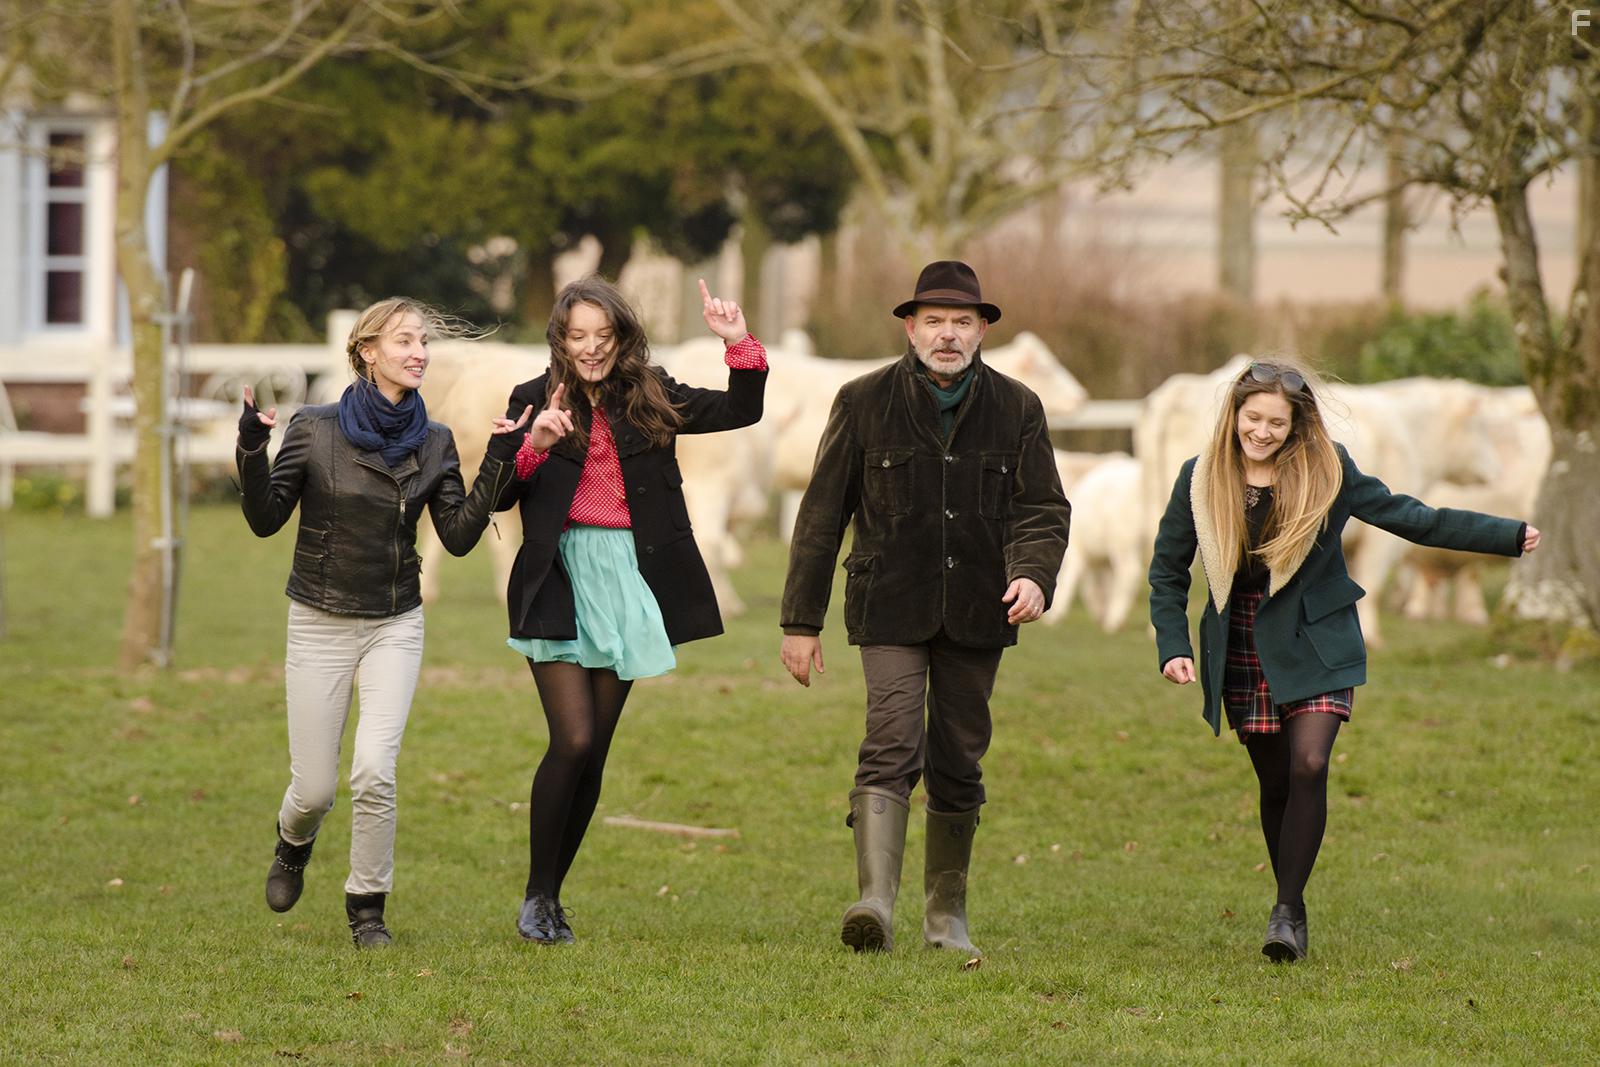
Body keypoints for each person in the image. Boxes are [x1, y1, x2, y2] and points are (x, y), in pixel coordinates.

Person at [1147, 358, 1541, 962]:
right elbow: (1168, 572)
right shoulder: (1199, 479)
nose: (1262, 431)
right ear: (1234, 415)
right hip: (1245, 642)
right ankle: (1294, 907)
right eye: (1253, 418)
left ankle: (1283, 913)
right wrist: (1173, 644)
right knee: (1276, 781)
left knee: (1309, 765)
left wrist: (1506, 535)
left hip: (1320, 637)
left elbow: (1415, 518)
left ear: (1296, 424)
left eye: (1276, 422)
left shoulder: (1327, 471)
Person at [778, 260, 1071, 957]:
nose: (948, 334)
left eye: (962, 322)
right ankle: (875, 901)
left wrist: (1031, 576)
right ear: (910, 327)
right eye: (934, 321)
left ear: (982, 331)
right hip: (888, 604)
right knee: (892, 737)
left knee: (959, 757)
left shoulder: (1019, 407)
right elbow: (822, 515)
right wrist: (800, 621)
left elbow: (1042, 508)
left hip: (980, 607)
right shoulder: (862, 400)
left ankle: (946, 918)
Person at [238, 298, 529, 947]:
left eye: (423, 341)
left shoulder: (436, 440)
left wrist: (503, 458)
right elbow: (264, 518)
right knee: (313, 787)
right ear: (367, 350)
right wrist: (253, 448)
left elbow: (455, 537)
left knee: (374, 769)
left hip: (394, 621)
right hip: (318, 619)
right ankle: (293, 843)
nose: (419, 352)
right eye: (405, 341)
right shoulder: (314, 430)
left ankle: (367, 907)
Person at [497, 275, 766, 944]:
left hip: (628, 578)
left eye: (604, 336)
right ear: (560, 339)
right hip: (558, 576)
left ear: (622, 338)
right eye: (578, 336)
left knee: (597, 752)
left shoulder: (653, 392)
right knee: (574, 738)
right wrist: (536, 445)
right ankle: (535, 894)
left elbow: (742, 409)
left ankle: (552, 897)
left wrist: (739, 343)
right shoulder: (534, 399)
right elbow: (499, 493)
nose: (591, 348)